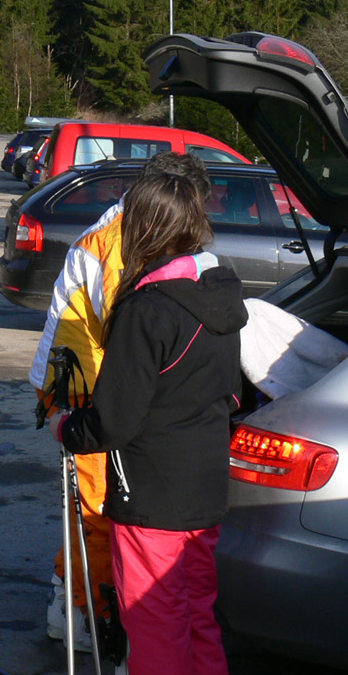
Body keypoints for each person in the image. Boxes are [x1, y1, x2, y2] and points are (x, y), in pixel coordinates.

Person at [55, 171, 247, 675]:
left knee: (158, 636)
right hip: (205, 485)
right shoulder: (221, 290)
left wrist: (69, 428)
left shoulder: (148, 308)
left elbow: (115, 419)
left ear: (147, 227)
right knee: (197, 625)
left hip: (153, 494)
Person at [29, 152, 213, 649]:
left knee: (97, 508)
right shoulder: (116, 245)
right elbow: (135, 328)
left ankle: (80, 599)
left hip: (90, 383)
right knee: (96, 510)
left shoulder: (128, 231)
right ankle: (80, 610)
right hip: (83, 391)